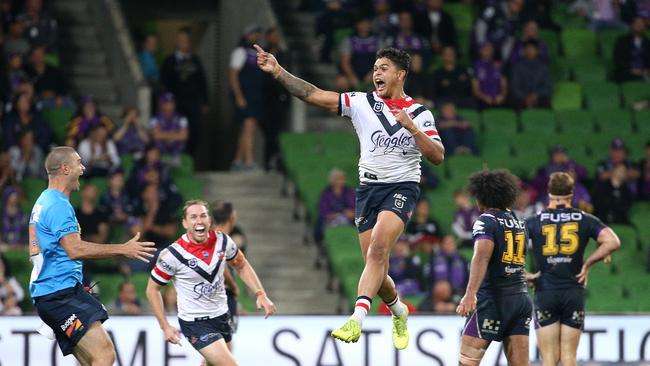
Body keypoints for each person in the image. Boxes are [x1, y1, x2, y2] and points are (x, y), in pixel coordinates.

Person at [255, 44, 445, 349]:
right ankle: (399, 310)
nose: (376, 73)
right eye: (375, 68)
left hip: (401, 188)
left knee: (378, 250)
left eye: (383, 68)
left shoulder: (419, 113)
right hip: (368, 190)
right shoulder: (360, 102)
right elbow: (313, 94)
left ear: (401, 74)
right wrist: (278, 71)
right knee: (376, 269)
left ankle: (356, 319)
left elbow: (437, 156)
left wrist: (413, 130)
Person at [28, 146, 155, 365]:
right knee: (105, 355)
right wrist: (123, 249)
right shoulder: (57, 205)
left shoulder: (43, 201)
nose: (83, 168)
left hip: (56, 292)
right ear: (66, 168)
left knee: (92, 361)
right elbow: (75, 249)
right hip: (60, 295)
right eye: (79, 162)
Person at [146, 200, 276, 366]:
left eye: (203, 216)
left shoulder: (222, 241)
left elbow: (241, 264)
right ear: (185, 223)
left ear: (209, 221)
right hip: (195, 323)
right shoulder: (173, 255)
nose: (199, 221)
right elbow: (152, 289)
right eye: (193, 217)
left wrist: (260, 293)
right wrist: (165, 326)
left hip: (222, 315)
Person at [525, 172, 620, 366]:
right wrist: (588, 264)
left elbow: (510, 247)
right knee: (569, 356)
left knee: (549, 358)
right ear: (572, 193)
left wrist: (525, 274)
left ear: (549, 191)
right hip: (573, 290)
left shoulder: (534, 220)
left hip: (545, 291)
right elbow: (612, 241)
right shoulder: (584, 219)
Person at [456, 169, 532, 365]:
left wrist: (470, 293)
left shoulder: (486, 221)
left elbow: (482, 256)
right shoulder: (519, 222)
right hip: (520, 300)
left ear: (482, 198)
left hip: (493, 300)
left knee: (466, 362)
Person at [161, 27, 208, 156]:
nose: (184, 43)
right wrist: (166, 102)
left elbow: (202, 81)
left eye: (186, 41)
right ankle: (177, 155)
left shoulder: (195, 60)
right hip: (176, 103)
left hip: (193, 103)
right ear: (177, 42)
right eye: (181, 40)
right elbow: (164, 83)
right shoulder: (170, 61)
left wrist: (205, 101)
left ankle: (190, 156)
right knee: (176, 130)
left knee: (195, 130)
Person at [229, 24, 264, 170]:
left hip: (254, 97)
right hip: (245, 96)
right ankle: (248, 161)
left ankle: (237, 161)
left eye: (257, 34)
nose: (255, 36)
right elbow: (232, 75)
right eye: (252, 34)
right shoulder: (240, 52)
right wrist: (238, 96)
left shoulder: (255, 53)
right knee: (248, 127)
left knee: (247, 129)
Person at [212, 201, 244, 345]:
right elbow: (220, 265)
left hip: (213, 297)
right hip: (222, 296)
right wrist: (233, 285)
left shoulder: (210, 237)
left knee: (215, 347)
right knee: (224, 345)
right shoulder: (221, 239)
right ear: (232, 217)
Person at [315, 168, 356, 243]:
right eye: (337, 179)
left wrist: (352, 212)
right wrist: (330, 215)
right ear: (332, 181)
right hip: (331, 219)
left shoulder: (350, 192)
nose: (339, 181)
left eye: (341, 179)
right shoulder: (325, 194)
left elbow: (355, 207)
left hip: (348, 218)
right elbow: (323, 210)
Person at [510, 39, 551, 109]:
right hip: (521, 98)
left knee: (546, 103)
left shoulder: (543, 67)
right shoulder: (517, 66)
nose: (530, 51)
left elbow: (547, 86)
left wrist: (536, 95)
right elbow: (514, 86)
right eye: (527, 49)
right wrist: (525, 97)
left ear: (537, 51)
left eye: (532, 49)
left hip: (538, 97)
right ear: (524, 51)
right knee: (515, 103)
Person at [150, 92, 188, 162]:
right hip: (161, 147)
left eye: (171, 103)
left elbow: (184, 136)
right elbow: (155, 135)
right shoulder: (155, 118)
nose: (168, 105)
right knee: (156, 144)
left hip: (176, 146)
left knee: (181, 144)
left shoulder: (182, 118)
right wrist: (173, 134)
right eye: (166, 103)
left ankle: (175, 160)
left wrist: (163, 134)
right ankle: (161, 161)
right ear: (161, 104)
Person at [614, 16, 650, 82]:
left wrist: (647, 70)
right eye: (637, 23)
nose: (639, 25)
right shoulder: (622, 41)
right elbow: (618, 60)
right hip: (627, 72)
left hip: (644, 72)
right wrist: (632, 70)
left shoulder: (647, 42)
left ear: (645, 27)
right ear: (631, 25)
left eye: (642, 24)